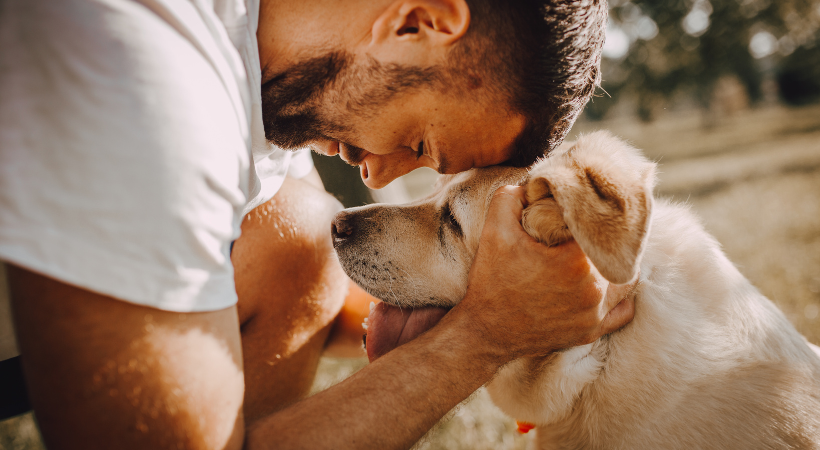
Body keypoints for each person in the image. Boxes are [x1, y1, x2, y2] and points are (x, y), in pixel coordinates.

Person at [0, 0, 634, 448]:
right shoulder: (145, 72)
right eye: (417, 141)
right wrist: (484, 337)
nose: (380, 178)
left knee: (298, 235)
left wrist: (525, 303)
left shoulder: (265, 63)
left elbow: (311, 287)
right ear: (418, 22)